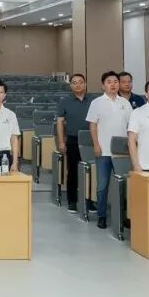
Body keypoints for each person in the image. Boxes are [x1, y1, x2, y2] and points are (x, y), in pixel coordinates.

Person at [87, 71, 133, 229]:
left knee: (125, 185)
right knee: (102, 186)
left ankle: (125, 216)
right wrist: (96, 145)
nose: (113, 84)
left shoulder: (125, 103)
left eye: (115, 81)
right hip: (104, 150)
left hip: (122, 152)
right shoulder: (97, 103)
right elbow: (93, 125)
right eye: (109, 82)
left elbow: (131, 126)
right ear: (103, 85)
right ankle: (102, 216)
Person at [55, 73, 95, 212]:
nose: (77, 85)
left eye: (80, 82)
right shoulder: (65, 101)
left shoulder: (93, 100)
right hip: (73, 139)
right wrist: (61, 142)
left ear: (85, 84)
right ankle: (72, 200)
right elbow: (60, 122)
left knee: (91, 170)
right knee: (73, 170)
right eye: (74, 82)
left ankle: (90, 201)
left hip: (91, 139)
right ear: (70, 85)